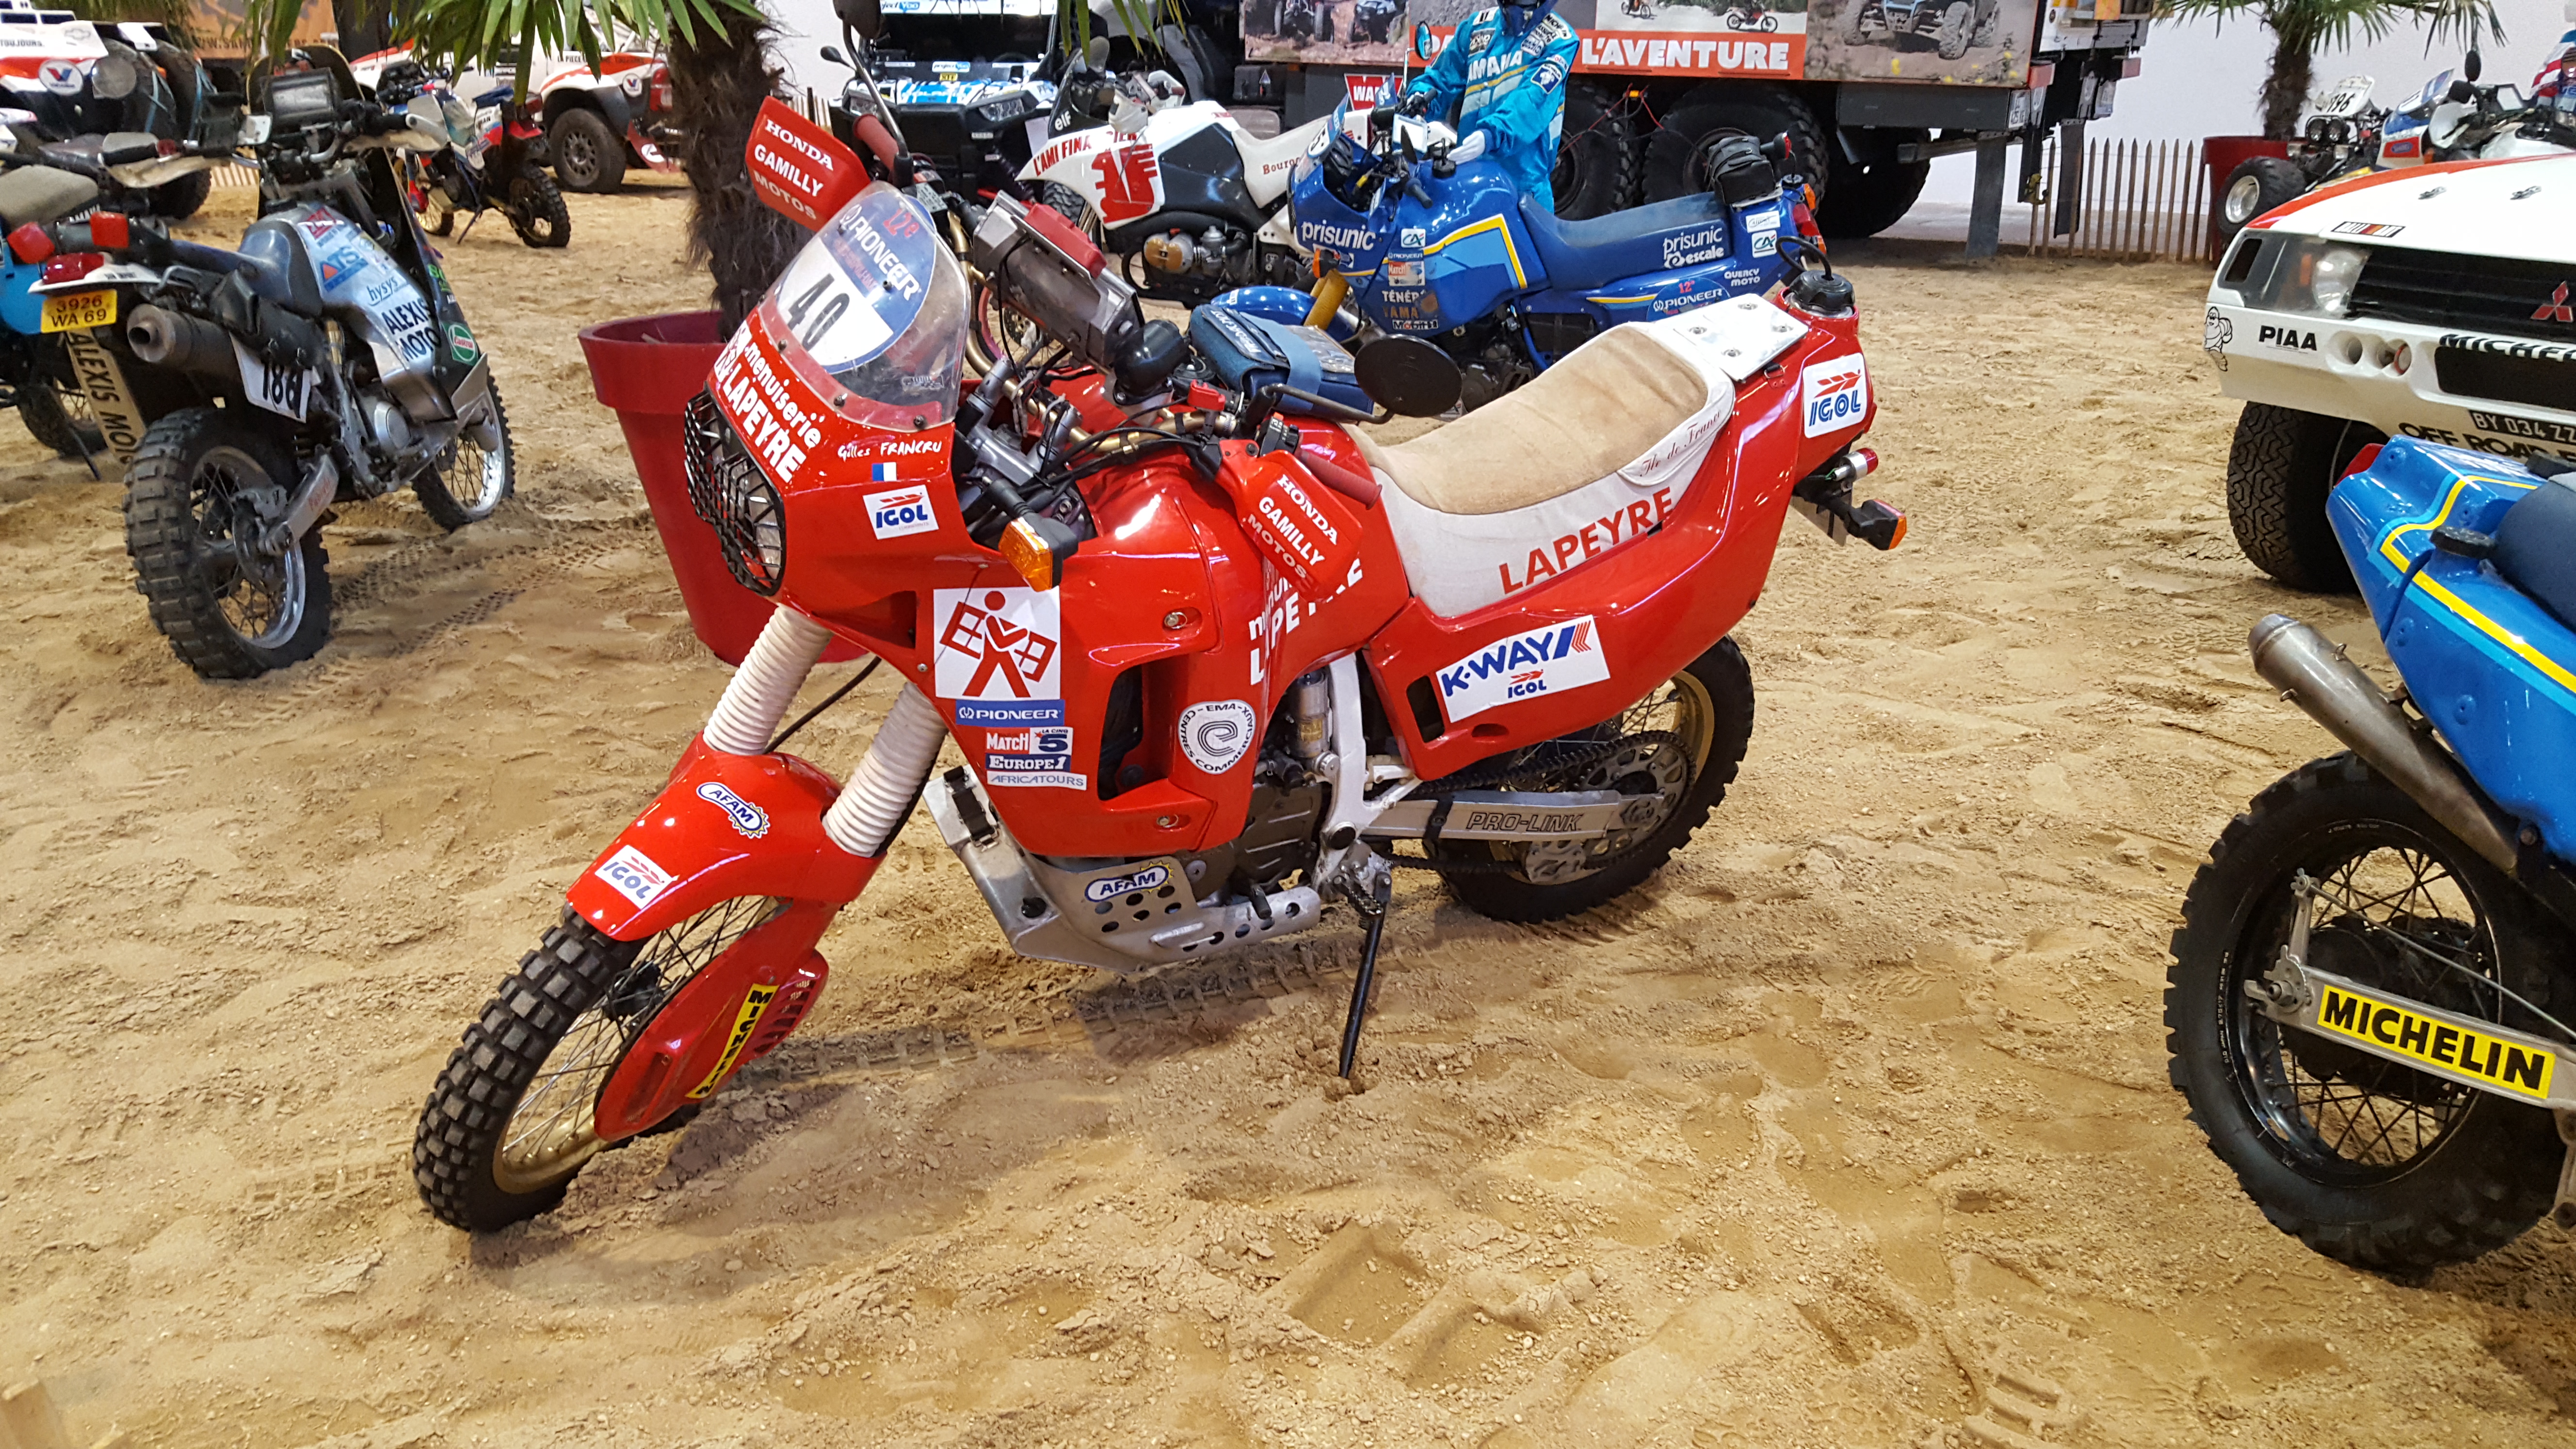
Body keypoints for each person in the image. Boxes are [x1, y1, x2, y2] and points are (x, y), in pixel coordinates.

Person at [1396, 0, 1579, 213]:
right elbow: (1441, 77)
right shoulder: (1477, 27)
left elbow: (1532, 100)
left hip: (1522, 192)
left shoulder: (1560, 40)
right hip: (1468, 181)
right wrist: (1419, 99)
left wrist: (1491, 135)